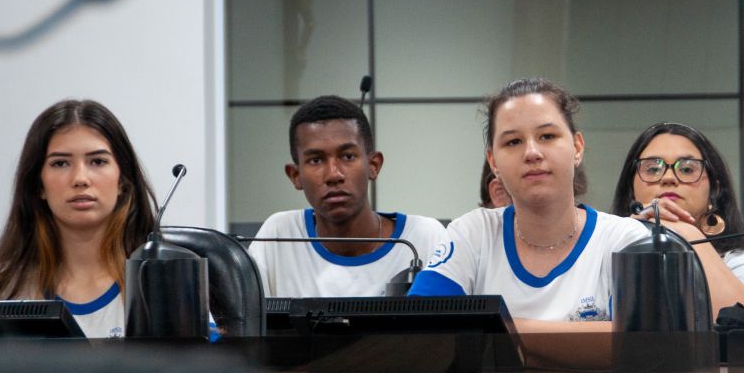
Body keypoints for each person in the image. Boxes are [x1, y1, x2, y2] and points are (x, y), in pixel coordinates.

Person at [409, 78, 650, 335]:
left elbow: (637, 346)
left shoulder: (624, 240)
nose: (532, 152)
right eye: (513, 142)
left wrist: (494, 329)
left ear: (577, 148)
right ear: (493, 163)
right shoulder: (473, 233)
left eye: (547, 136)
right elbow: (418, 330)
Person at [0, 99, 158, 338]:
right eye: (60, 163)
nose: (80, 178)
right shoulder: (8, 289)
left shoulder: (162, 283)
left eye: (98, 161)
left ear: (122, 180)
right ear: (39, 185)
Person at [247, 95, 446, 297]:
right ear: (295, 176)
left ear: (374, 165)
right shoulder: (279, 235)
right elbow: (230, 325)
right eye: (316, 160)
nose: (334, 174)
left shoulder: (424, 238)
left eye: (348, 156)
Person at [609, 123, 744, 307]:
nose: (668, 178)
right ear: (630, 191)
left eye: (686, 169)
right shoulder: (602, 253)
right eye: (652, 169)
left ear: (714, 191)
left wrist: (688, 236)